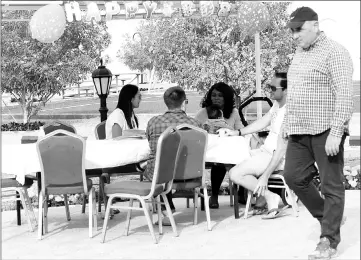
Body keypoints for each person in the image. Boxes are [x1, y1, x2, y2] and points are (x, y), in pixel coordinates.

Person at [282, 7, 353, 260]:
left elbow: (345, 94)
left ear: (314, 25)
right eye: (292, 30)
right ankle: (328, 217)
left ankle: (329, 240)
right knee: (293, 177)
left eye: (298, 30)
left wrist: (336, 132)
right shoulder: (299, 53)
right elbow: (295, 93)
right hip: (299, 131)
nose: (294, 35)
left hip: (326, 131)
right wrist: (285, 125)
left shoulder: (335, 52)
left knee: (331, 185)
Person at [220, 72, 289, 218]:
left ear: (286, 90)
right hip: (265, 151)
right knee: (232, 160)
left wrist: (266, 175)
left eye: (273, 88)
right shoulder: (277, 105)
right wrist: (237, 132)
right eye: (269, 87)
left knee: (235, 173)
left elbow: (282, 148)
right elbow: (263, 122)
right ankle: (262, 199)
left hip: (275, 156)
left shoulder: (290, 112)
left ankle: (270, 196)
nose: (269, 90)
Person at [145, 86, 201, 222]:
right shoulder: (195, 124)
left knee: (155, 163)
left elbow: (150, 143)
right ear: (184, 101)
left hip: (161, 175)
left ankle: (165, 206)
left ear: (165, 102)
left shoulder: (154, 122)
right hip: (189, 174)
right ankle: (168, 204)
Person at [195, 82, 243, 209]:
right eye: (213, 95)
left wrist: (229, 131)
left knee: (235, 158)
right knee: (219, 161)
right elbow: (194, 131)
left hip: (227, 150)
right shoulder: (203, 112)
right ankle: (214, 195)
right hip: (207, 150)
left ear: (226, 97)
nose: (215, 98)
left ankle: (243, 193)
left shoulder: (234, 112)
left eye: (220, 96)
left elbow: (240, 130)